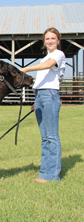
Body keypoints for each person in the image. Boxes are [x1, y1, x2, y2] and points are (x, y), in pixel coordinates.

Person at [20, 27, 66, 184]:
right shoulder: (44, 57)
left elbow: (47, 66)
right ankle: (44, 173)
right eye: (47, 39)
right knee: (45, 137)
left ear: (58, 40)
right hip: (40, 96)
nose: (50, 41)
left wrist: (26, 69)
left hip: (50, 95)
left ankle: (53, 175)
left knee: (52, 136)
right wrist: (35, 100)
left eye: (53, 38)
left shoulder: (58, 55)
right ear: (44, 41)